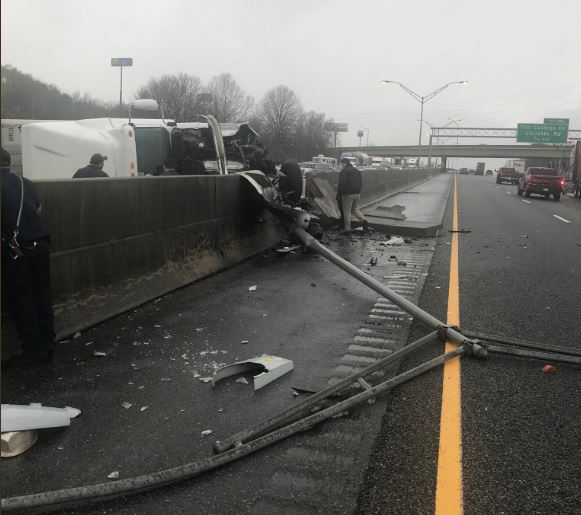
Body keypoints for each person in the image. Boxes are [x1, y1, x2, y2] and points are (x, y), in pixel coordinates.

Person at [1, 148, 55, 366]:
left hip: (17, 251)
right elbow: (38, 209)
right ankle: (48, 342)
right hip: (41, 245)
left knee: (22, 298)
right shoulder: (26, 183)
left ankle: (33, 349)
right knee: (43, 294)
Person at [338, 157, 369, 234]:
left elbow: (342, 184)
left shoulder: (344, 171)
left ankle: (347, 229)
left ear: (344, 163)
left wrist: (339, 193)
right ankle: (364, 221)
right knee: (354, 209)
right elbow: (361, 183)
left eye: (341, 164)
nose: (341, 165)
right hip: (357, 193)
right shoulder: (357, 171)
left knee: (347, 212)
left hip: (348, 194)